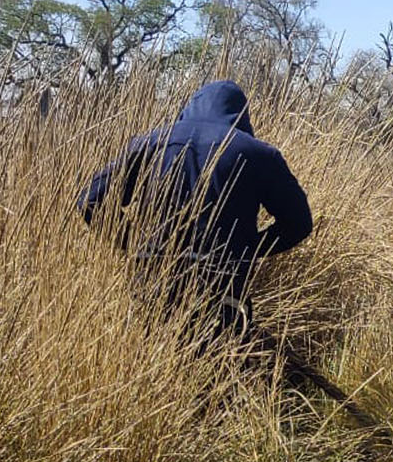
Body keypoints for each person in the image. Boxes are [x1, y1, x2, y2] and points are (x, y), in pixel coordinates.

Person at [81, 79, 313, 339]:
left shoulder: (149, 143)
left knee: (153, 360)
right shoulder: (259, 154)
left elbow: (90, 200)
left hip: (152, 285)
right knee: (217, 371)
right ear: (241, 114)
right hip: (222, 292)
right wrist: (246, 250)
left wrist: (135, 243)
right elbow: (299, 223)